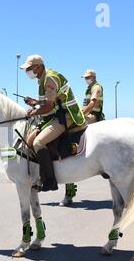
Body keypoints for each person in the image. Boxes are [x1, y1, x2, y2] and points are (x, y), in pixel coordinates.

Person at [20, 55, 87, 192]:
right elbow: (49, 101)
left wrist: (33, 112)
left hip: (66, 116)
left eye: (29, 68)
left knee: (38, 143)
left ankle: (50, 181)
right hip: (55, 115)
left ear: (38, 67)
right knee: (30, 139)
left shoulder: (49, 79)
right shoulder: (43, 79)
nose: (27, 72)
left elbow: (50, 106)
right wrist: (35, 102)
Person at [60, 70, 105, 206]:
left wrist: (80, 113)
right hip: (88, 114)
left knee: (69, 129)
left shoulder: (96, 87)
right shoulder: (89, 88)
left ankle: (73, 148)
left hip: (93, 117)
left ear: (93, 77)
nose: (86, 79)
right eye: (85, 78)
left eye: (88, 77)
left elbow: (92, 104)